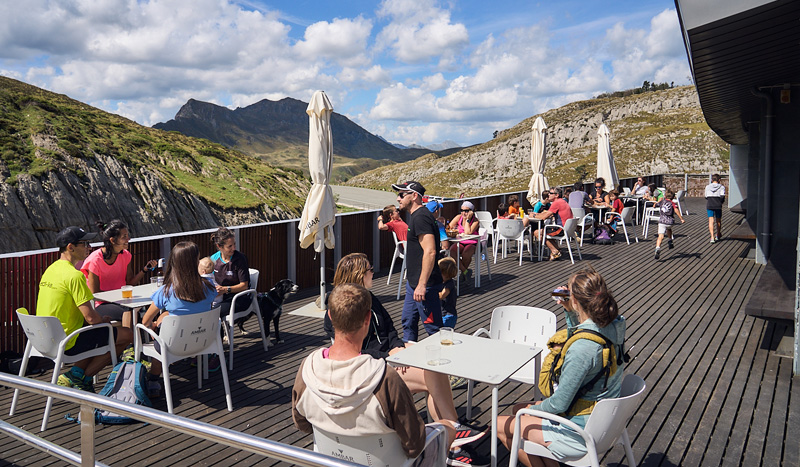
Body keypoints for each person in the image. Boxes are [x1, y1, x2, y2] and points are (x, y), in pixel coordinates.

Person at [308, 282, 487, 466]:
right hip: (390, 460)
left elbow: (303, 424)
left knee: (431, 368)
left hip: (333, 457)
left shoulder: (308, 370)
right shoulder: (385, 380)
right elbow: (414, 444)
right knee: (446, 428)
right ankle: (454, 434)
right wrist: (446, 430)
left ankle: (455, 437)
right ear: (368, 319)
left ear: (330, 315)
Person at [497, 268, 627, 467]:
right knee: (517, 409)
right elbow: (584, 331)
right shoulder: (612, 327)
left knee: (501, 424)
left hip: (580, 431)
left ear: (575, 299)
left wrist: (536, 408)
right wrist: (570, 310)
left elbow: (560, 404)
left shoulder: (582, 350)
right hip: (607, 422)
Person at [38, 226, 133, 392]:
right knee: (126, 335)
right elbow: (91, 318)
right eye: (84, 243)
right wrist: (103, 321)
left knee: (98, 332)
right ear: (71, 247)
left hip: (44, 339)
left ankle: (76, 372)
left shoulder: (50, 270)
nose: (89, 247)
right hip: (68, 341)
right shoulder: (74, 276)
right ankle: (83, 377)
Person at [141, 242, 218, 384]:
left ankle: (153, 380)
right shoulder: (209, 286)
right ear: (196, 262)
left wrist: (155, 324)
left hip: (174, 345)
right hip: (203, 341)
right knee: (165, 318)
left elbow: (145, 322)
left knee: (160, 334)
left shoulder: (166, 291)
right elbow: (192, 308)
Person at [393, 181, 445, 342]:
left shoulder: (421, 218)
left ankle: (440, 364)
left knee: (433, 329)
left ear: (414, 196)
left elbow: (430, 252)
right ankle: (410, 361)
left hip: (425, 285)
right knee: (408, 322)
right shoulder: (416, 216)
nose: (398, 198)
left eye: (402, 195)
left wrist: (422, 285)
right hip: (413, 284)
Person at [81, 220, 158, 328]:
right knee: (131, 312)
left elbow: (130, 282)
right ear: (112, 240)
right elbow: (95, 294)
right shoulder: (95, 260)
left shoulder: (126, 255)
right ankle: (130, 339)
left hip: (122, 302)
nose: (128, 239)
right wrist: (117, 298)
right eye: (124, 236)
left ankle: (132, 338)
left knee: (142, 309)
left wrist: (144, 270)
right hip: (101, 304)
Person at [210, 227, 252, 319]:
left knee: (214, 313)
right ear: (219, 247)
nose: (234, 248)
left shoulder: (240, 259)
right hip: (220, 297)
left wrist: (225, 289)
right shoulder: (214, 259)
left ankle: (220, 333)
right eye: (230, 246)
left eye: (234, 244)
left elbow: (244, 286)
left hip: (239, 298)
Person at [533, 187, 573, 261]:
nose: (548, 194)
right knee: (546, 231)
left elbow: (544, 217)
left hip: (562, 229)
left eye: (551, 193)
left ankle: (554, 251)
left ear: (556, 195)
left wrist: (534, 215)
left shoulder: (556, 203)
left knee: (537, 232)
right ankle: (557, 249)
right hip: (569, 229)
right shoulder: (563, 201)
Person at [448, 201, 480, 278]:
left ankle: (463, 273)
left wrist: (468, 220)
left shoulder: (475, 221)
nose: (463, 213)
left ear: (471, 211)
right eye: (462, 210)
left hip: (472, 242)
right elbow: (449, 227)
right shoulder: (459, 217)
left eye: (466, 211)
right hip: (460, 241)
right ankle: (465, 271)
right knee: (452, 252)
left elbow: (468, 232)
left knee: (466, 254)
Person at [654, 189, 685, 259]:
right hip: (670, 222)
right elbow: (676, 210)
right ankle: (670, 239)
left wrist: (655, 204)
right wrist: (681, 218)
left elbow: (656, 205)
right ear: (673, 197)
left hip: (662, 221)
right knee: (669, 228)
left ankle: (658, 248)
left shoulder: (662, 202)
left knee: (660, 236)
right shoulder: (673, 203)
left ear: (665, 196)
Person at [438, 257, 458, 329]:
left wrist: (432, 293)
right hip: (442, 314)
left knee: (445, 333)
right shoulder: (443, 283)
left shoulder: (449, 284)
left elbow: (441, 296)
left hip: (448, 315)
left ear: (445, 274)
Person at [705, 174, 726, 243]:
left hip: (710, 204)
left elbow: (706, 196)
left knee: (711, 220)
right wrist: (720, 202)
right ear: (719, 180)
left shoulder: (707, 187)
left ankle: (712, 237)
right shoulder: (722, 187)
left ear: (712, 180)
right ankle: (718, 234)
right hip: (718, 205)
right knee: (718, 220)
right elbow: (722, 196)